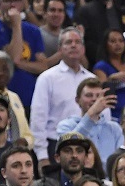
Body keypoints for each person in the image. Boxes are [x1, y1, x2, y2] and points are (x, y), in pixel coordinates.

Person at [29, 29, 94, 162]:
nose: (73, 45)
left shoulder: (92, 79)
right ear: (60, 49)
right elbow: (38, 119)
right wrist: (42, 156)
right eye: (68, 42)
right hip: (56, 144)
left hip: (89, 144)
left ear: (83, 48)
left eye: (78, 42)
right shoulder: (47, 78)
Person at [54, 78, 124, 162]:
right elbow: (70, 146)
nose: (94, 100)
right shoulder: (66, 125)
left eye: (98, 96)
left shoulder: (114, 128)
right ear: (77, 100)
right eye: (89, 95)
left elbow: (120, 160)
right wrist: (91, 114)